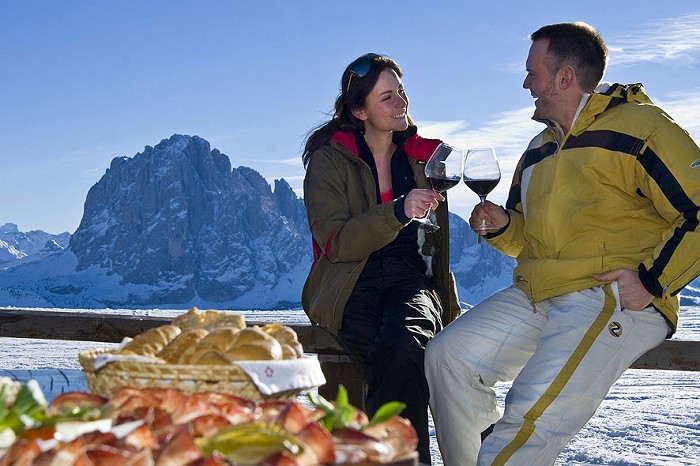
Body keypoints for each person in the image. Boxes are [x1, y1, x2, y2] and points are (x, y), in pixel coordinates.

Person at [425, 22, 700, 465]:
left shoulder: (641, 128)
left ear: (565, 77)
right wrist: (501, 227)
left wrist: (651, 281)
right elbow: (527, 239)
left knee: (528, 422)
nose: (525, 83)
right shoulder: (539, 148)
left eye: (533, 72)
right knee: (447, 357)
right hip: (539, 292)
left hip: (610, 294)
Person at [301, 52, 461, 464]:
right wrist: (396, 211)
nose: (401, 102)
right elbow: (335, 241)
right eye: (387, 97)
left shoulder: (423, 157)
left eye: (402, 92)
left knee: (404, 343)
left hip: (411, 278)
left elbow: (437, 232)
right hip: (351, 279)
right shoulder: (329, 162)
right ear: (360, 110)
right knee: (398, 357)